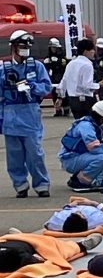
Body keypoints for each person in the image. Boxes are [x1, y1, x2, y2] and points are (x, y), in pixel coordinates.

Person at [0, 30, 53, 197]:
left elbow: (46, 87)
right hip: (10, 114)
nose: (25, 50)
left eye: (27, 47)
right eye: (22, 46)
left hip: (30, 114)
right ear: (14, 47)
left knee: (35, 153)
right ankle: (20, 185)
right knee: (14, 155)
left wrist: (31, 86)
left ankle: (41, 184)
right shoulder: (3, 68)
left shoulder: (37, 66)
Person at [59, 99, 103, 191]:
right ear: (100, 116)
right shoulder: (86, 126)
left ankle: (98, 180)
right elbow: (95, 149)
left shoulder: (99, 127)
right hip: (70, 159)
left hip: (80, 156)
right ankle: (81, 181)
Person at [57, 38, 99, 118]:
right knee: (89, 123)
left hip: (72, 100)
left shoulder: (71, 64)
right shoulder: (87, 65)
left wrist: (60, 97)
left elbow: (63, 82)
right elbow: (87, 85)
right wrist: (99, 85)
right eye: (92, 50)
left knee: (78, 122)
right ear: (86, 51)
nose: (93, 52)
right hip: (85, 100)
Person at [44, 37, 70, 117]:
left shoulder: (63, 58)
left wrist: (57, 62)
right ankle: (58, 110)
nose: (53, 49)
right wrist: (48, 62)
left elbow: (64, 67)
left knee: (64, 95)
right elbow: (47, 68)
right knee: (55, 94)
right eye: (51, 48)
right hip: (53, 79)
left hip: (62, 78)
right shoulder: (48, 58)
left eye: (54, 48)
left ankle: (66, 110)